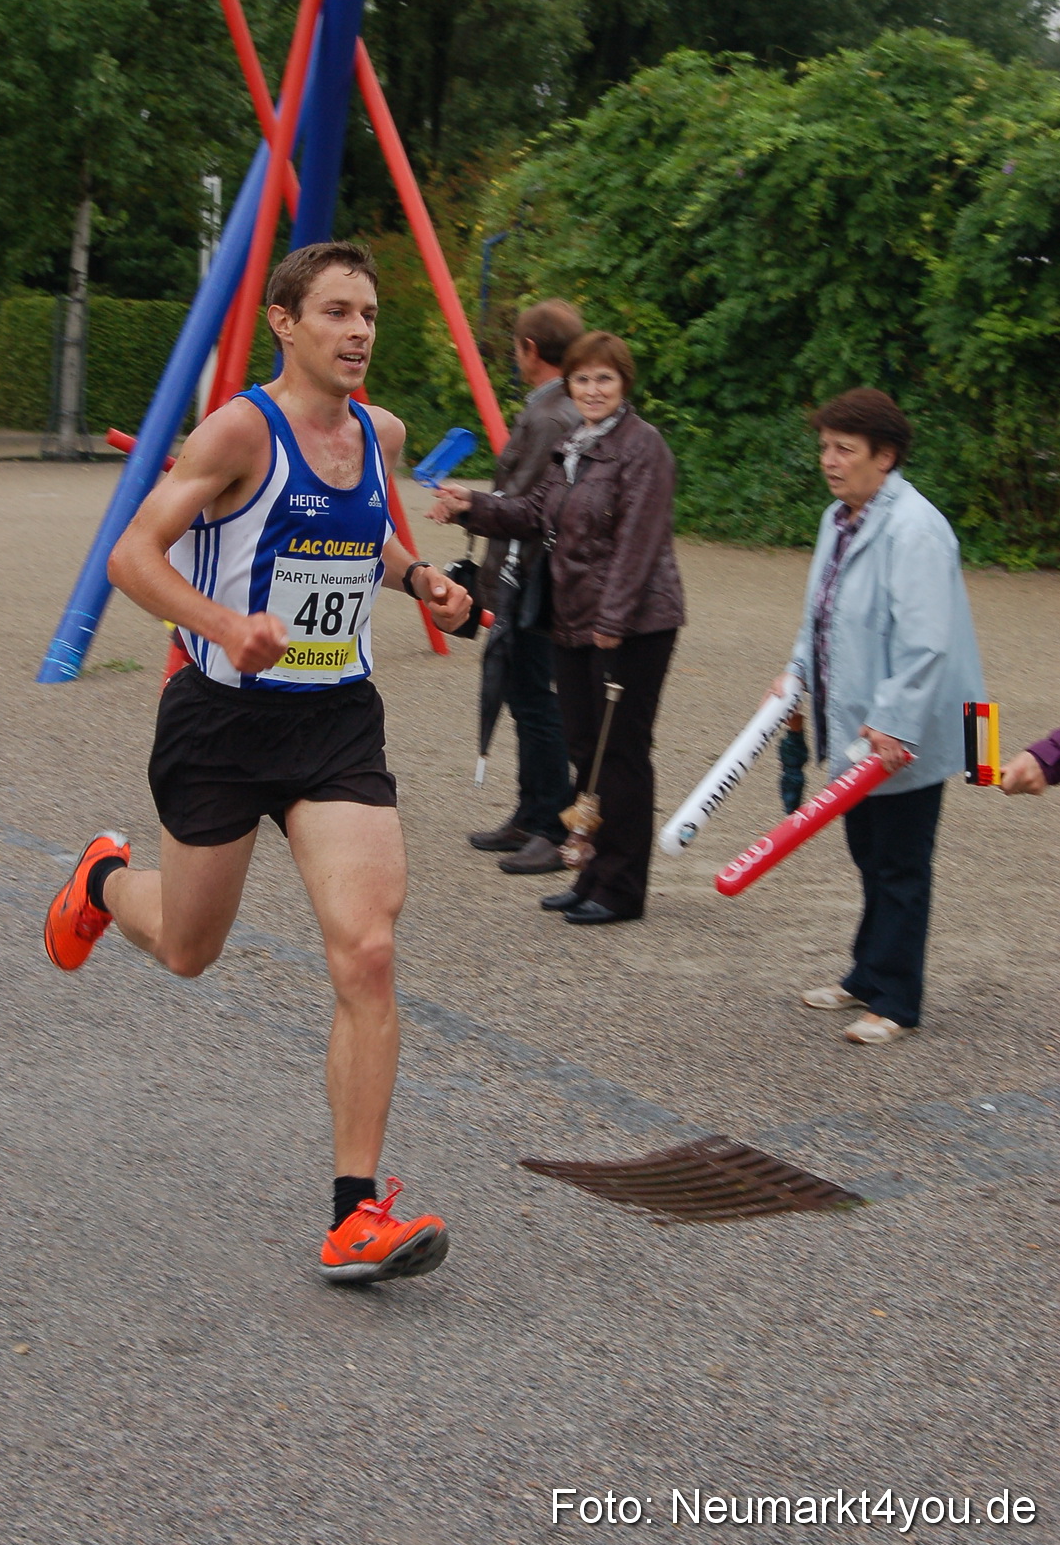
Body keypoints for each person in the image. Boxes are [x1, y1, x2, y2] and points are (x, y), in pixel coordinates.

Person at [43, 241, 471, 1283]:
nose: (359, 331)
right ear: (284, 322)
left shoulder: (380, 433)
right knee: (189, 949)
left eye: (368, 314)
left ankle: (354, 1213)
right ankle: (103, 881)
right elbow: (132, 556)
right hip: (223, 723)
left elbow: (364, 538)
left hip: (335, 722)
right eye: (336, 312)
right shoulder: (239, 431)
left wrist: (419, 578)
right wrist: (224, 626)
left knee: (368, 950)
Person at [431, 331, 684, 924]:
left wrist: (613, 620)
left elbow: (639, 542)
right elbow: (530, 512)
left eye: (604, 379)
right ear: (569, 385)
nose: (592, 390)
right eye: (582, 380)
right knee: (585, 749)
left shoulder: (643, 447)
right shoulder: (575, 445)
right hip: (571, 618)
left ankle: (621, 887)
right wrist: (471, 504)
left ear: (624, 383)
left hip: (633, 624)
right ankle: (591, 872)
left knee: (620, 753)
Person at [770, 388, 984, 1046]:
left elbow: (927, 641)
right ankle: (867, 974)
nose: (828, 461)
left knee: (899, 863)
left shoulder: (915, 528)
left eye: (844, 449)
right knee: (868, 852)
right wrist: (794, 676)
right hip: (856, 728)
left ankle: (895, 999)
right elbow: (820, 616)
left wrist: (893, 719)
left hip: (904, 731)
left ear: (884, 456)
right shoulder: (838, 519)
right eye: (824, 447)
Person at [468, 299, 583, 875]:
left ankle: (549, 820)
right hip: (537, 575)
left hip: (532, 577)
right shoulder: (560, 409)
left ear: (530, 350)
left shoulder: (548, 416)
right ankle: (533, 810)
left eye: (517, 347)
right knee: (526, 693)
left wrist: (470, 506)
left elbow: (527, 506)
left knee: (534, 698)